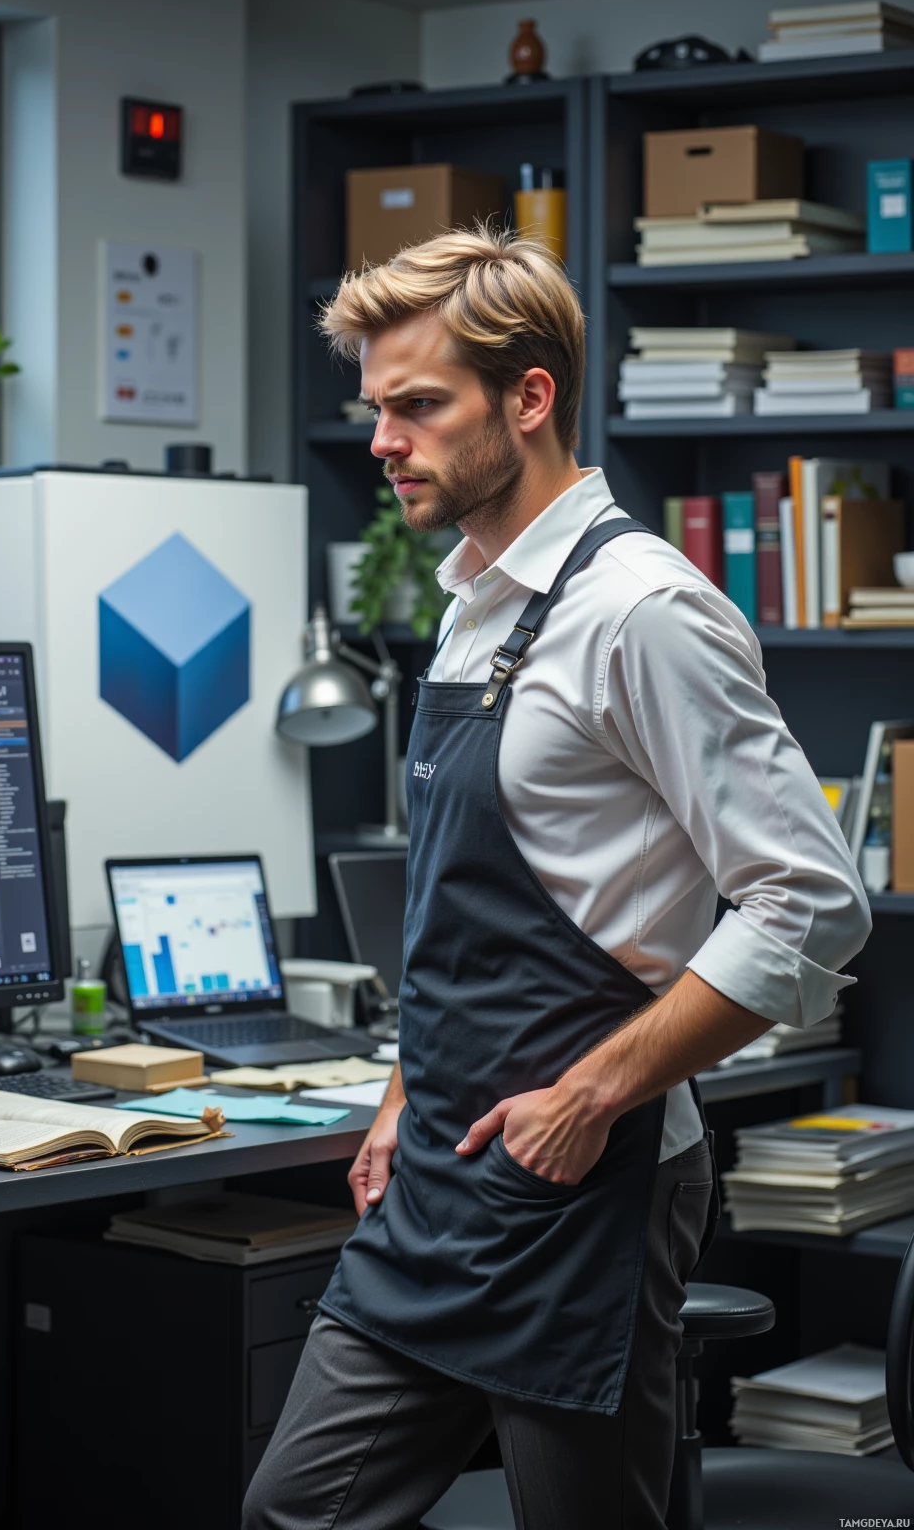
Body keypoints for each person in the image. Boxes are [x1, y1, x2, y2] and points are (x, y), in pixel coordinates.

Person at [242, 226, 871, 1530]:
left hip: (596, 1181)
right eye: (376, 408)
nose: (382, 441)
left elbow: (810, 901)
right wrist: (408, 1087)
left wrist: (592, 1092)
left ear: (529, 398)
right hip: (443, 1171)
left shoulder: (645, 610)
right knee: (293, 1513)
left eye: (418, 406)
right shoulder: (477, 599)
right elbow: (467, 907)